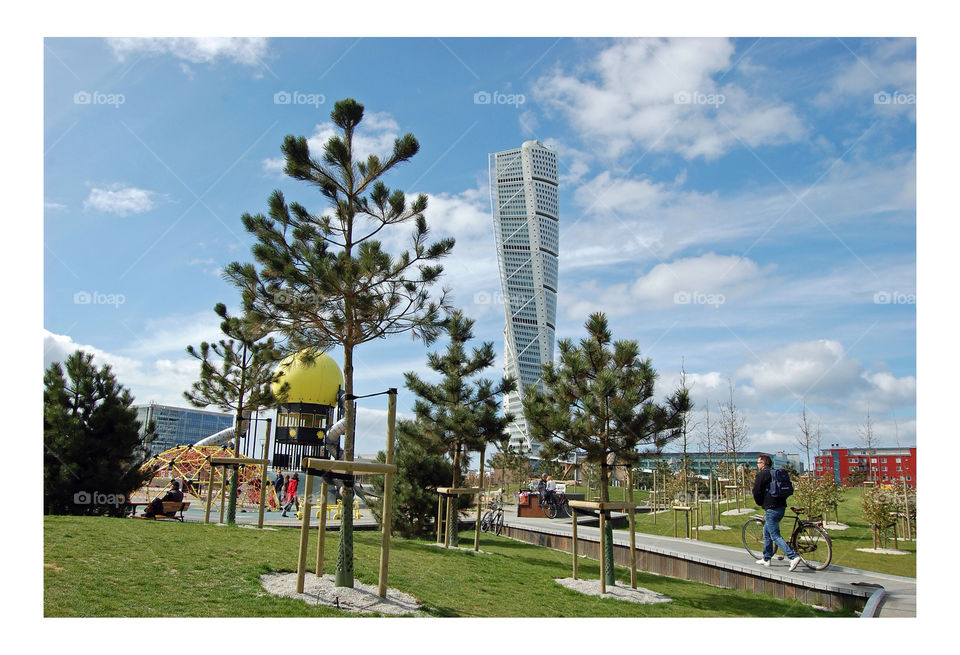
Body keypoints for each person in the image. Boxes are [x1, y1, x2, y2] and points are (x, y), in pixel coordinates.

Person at [752, 454, 801, 571]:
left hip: (771, 508)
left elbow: (756, 491)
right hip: (781, 507)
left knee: (775, 535)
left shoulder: (762, 474)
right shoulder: (775, 473)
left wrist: (759, 503)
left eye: (758, 463)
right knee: (766, 532)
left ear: (763, 463)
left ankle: (793, 557)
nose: (757, 465)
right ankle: (766, 558)